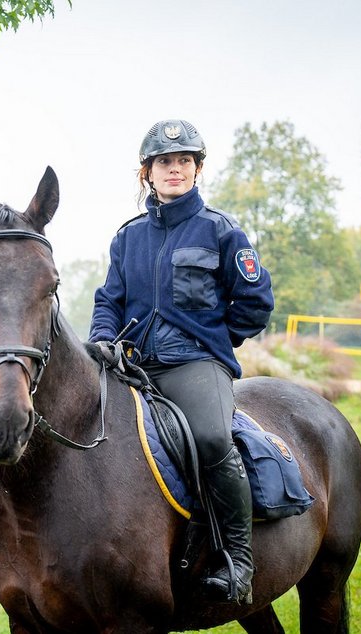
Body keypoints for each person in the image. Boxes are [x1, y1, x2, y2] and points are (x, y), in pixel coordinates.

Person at [88, 119, 273, 604]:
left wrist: (214, 342)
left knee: (213, 438)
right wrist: (103, 338)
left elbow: (255, 302)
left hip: (195, 366)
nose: (175, 169)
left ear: (197, 170)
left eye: (184, 161)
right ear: (147, 173)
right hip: (133, 366)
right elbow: (108, 299)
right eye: (164, 162)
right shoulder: (127, 238)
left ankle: (238, 561)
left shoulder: (221, 231)